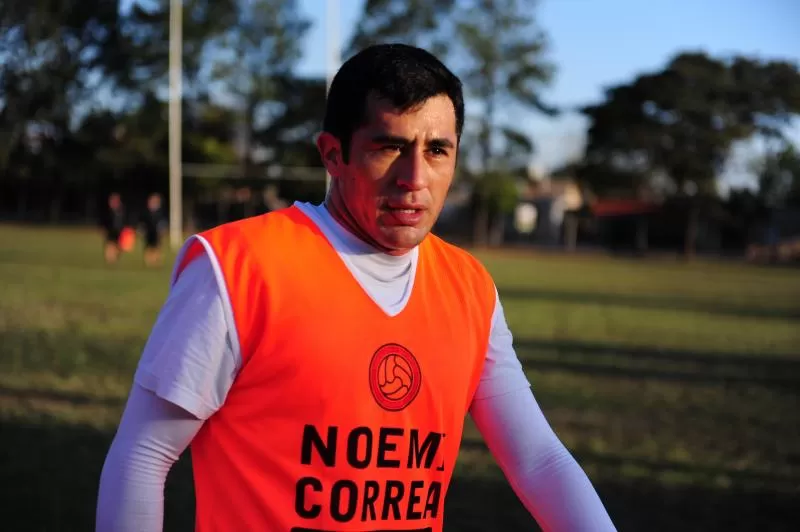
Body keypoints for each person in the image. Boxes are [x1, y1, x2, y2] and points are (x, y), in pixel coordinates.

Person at [96, 44, 616, 532]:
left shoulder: (470, 288)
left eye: (437, 150)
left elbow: (538, 459)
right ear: (332, 154)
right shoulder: (239, 268)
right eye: (390, 147)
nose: (415, 177)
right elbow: (144, 456)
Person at [141, 193, 166, 267]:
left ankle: (155, 261)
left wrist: (162, 229)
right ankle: (149, 262)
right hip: (148, 232)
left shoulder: (160, 212)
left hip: (156, 232)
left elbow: (162, 222)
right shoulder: (146, 212)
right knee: (148, 247)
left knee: (157, 246)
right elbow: (143, 222)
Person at [101, 192, 126, 264]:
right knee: (110, 245)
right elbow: (103, 221)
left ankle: (114, 258)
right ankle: (110, 260)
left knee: (119, 247)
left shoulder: (121, 211)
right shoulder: (107, 211)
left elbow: (124, 221)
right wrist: (103, 229)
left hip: (119, 232)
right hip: (110, 231)